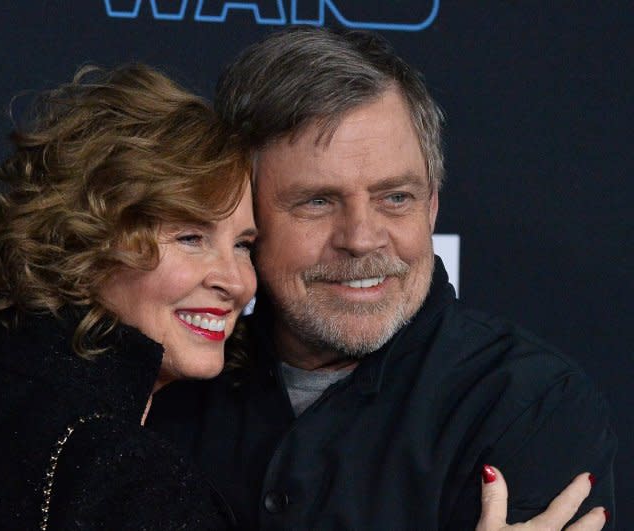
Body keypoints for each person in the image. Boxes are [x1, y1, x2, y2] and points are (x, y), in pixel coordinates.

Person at [148, 26, 616, 529]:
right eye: (317, 202)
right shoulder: (163, 387)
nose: (362, 238)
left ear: (432, 207)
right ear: (247, 218)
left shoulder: (531, 407)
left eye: (396, 198)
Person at [0, 64, 257, 530]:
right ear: (86, 238)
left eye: (243, 245)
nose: (237, 281)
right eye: (190, 237)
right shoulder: (128, 479)